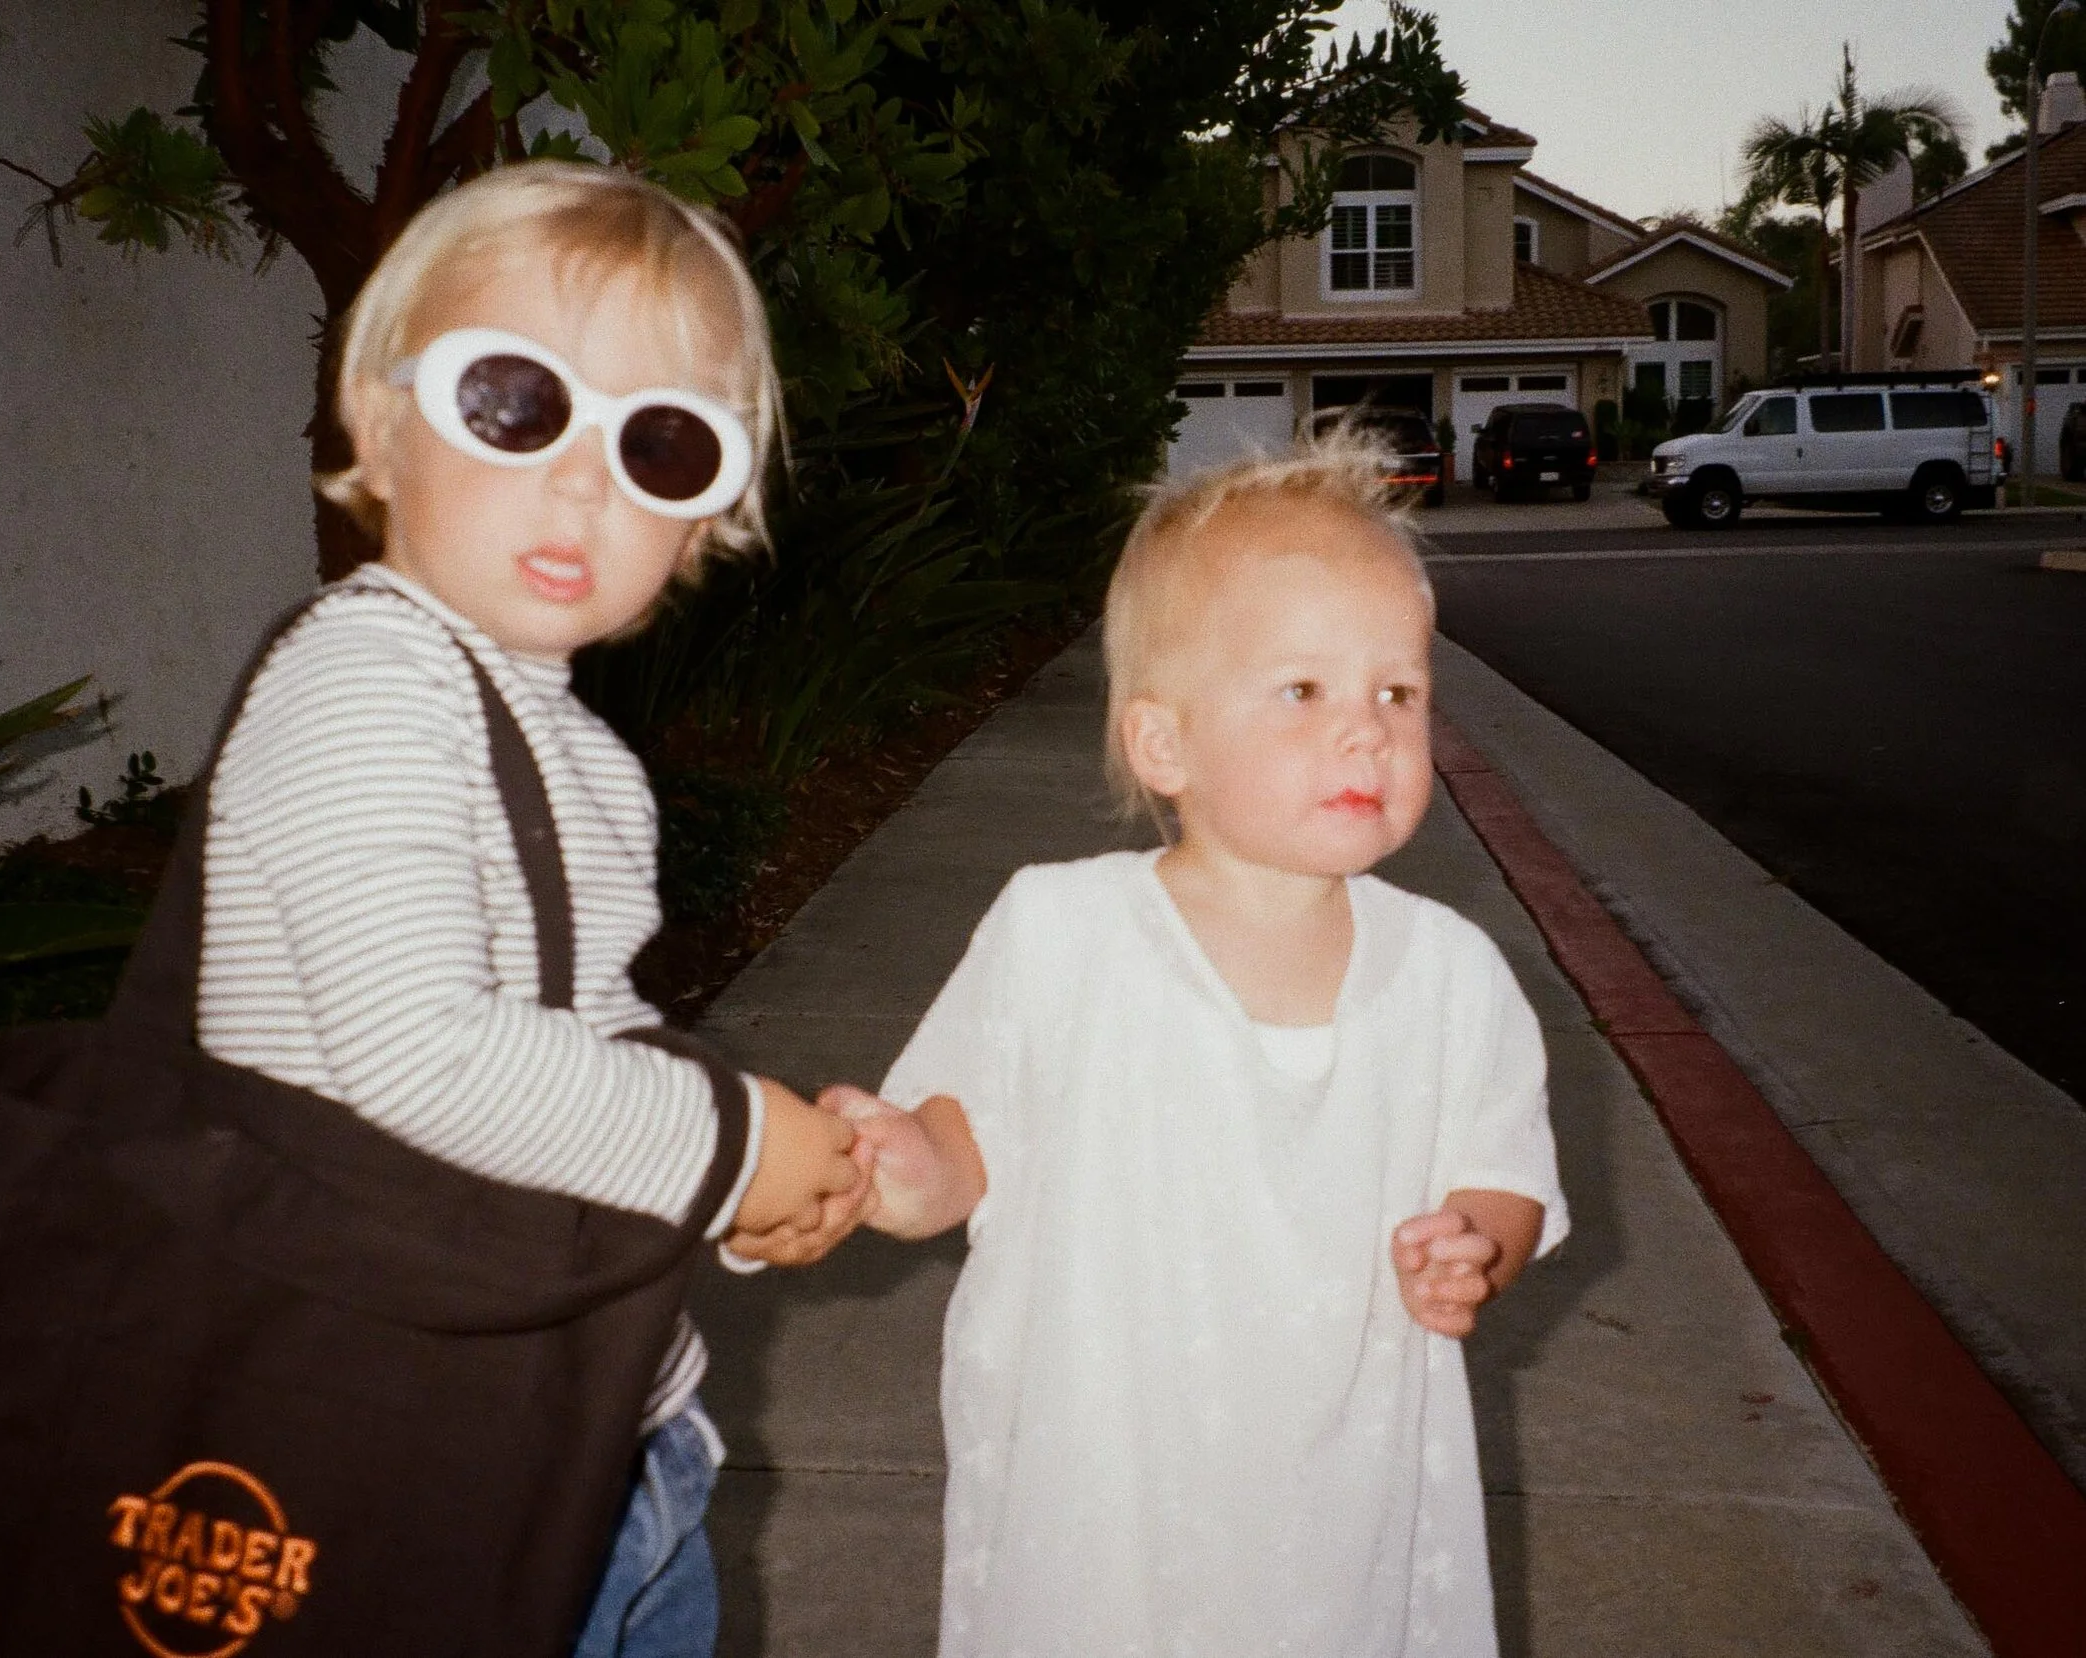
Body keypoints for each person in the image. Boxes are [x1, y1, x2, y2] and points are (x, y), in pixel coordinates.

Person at [198, 160, 872, 1657]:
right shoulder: (362, 680)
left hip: (605, 1433)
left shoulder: (571, 748)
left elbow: (582, 1055)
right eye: (515, 401)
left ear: (705, 520)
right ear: (378, 425)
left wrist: (744, 1192)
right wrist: (740, 1144)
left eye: (662, 444)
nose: (583, 476)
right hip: (405, 1466)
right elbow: (422, 1053)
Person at [824, 435, 1570, 1657]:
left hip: (1342, 1511)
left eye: (1398, 691)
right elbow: (964, 1138)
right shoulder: (1061, 931)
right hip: (1098, 1502)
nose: (1365, 733)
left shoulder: (1448, 976)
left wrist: (1478, 1242)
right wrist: (901, 1167)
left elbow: (1505, 1171)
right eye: (1302, 690)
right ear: (1161, 743)